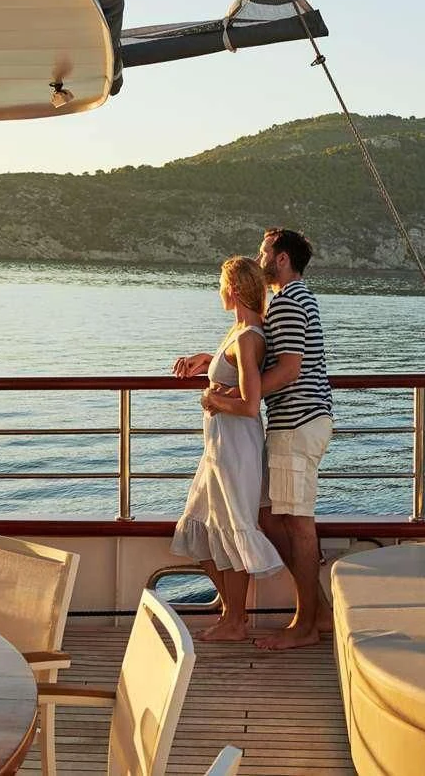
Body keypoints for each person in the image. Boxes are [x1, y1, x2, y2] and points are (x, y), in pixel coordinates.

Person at [176, 227, 333, 650]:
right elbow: (256, 350)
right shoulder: (285, 304)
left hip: (298, 423)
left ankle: (306, 624)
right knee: (273, 519)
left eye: (265, 251)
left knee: (298, 525)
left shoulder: (291, 301)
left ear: (281, 259)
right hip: (290, 423)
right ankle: (315, 612)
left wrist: (230, 397)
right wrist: (218, 365)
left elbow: (290, 369)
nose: (259, 257)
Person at [169, 256, 284, 641]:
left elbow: (250, 405)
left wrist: (213, 401)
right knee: (201, 526)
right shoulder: (239, 331)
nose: (219, 290)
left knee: (229, 526)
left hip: (235, 448)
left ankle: (235, 620)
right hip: (220, 449)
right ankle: (232, 612)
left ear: (232, 289)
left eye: (221, 284)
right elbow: (232, 369)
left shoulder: (248, 338)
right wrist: (207, 361)